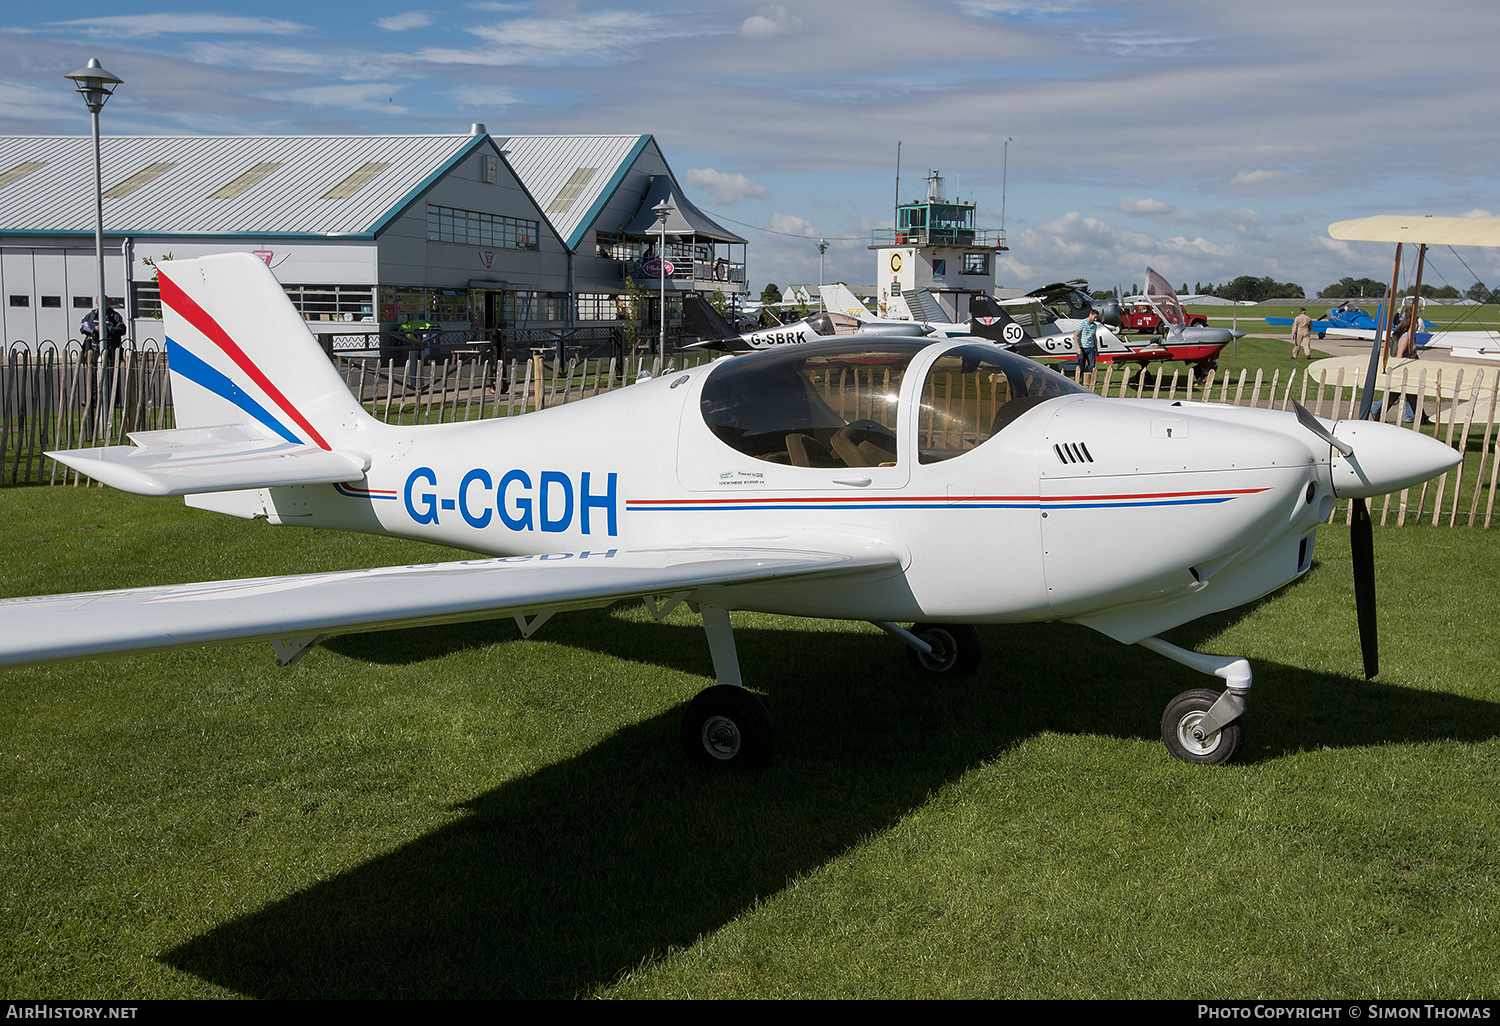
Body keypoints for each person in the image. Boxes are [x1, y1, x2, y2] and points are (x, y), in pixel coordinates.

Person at [1072, 307, 1100, 380]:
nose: (1095, 319)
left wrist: (1096, 350)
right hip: (1082, 347)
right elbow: (1075, 336)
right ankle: (1078, 380)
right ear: (1090, 315)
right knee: (1081, 365)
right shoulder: (1082, 323)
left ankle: (1089, 381)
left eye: (1096, 318)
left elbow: (1094, 337)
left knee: (1092, 365)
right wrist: (1078, 348)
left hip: (1090, 348)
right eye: (1094, 317)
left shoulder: (1094, 326)